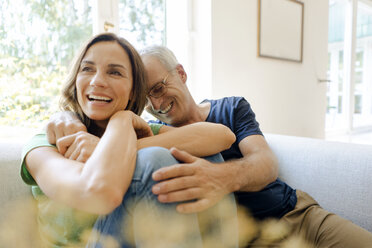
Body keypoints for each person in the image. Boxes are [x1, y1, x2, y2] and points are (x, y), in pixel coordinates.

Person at [47, 45, 372, 247]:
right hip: (252, 238)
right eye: (148, 99)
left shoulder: (230, 108)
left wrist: (222, 178)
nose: (158, 103)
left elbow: (264, 163)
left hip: (296, 213)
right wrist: (69, 119)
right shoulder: (153, 133)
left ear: (182, 73)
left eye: (160, 87)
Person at [20, 33, 239, 248]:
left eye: (114, 72)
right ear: (76, 80)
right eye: (87, 69)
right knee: (154, 158)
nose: (97, 81)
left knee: (206, 156)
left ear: (134, 91)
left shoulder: (138, 130)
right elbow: (98, 193)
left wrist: (119, 130)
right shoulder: (45, 143)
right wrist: (120, 125)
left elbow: (221, 136)